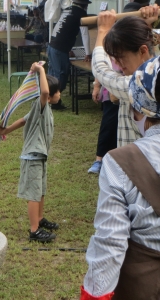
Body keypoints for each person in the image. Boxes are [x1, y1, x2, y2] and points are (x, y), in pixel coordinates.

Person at [81, 56, 160, 300]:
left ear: (141, 107)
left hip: (143, 286)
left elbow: (110, 243)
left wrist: (94, 295)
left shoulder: (120, 162)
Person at [0, 63, 61, 243]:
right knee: (34, 193)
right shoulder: (42, 104)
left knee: (41, 191)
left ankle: (39, 219)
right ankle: (34, 230)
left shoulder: (41, 109)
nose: (60, 94)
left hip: (40, 156)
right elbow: (44, 93)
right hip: (33, 156)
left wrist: (5, 131)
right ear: (49, 95)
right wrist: (41, 71)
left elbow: (23, 120)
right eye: (58, 91)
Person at [91, 5, 158, 147]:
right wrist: (147, 24)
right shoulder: (154, 75)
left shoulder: (138, 84)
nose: (117, 63)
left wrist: (103, 30)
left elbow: (100, 68)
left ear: (142, 51)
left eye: (121, 57)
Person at [46, 0, 92, 110]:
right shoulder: (81, 14)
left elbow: (63, 29)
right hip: (60, 48)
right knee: (61, 75)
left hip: (53, 45)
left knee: (52, 75)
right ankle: (53, 101)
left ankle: (48, 98)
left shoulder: (67, 10)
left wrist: (68, 48)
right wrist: (88, 53)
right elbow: (85, 34)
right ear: (85, 5)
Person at [87, 61, 121, 174]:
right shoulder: (109, 47)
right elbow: (101, 65)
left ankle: (117, 161)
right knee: (108, 125)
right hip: (111, 91)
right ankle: (99, 160)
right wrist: (96, 86)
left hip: (130, 88)